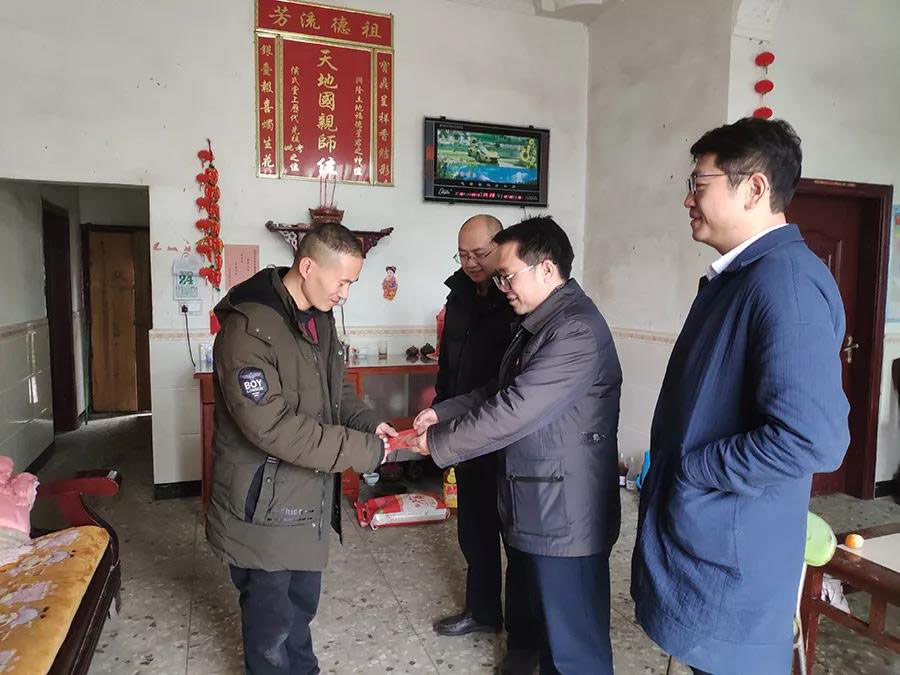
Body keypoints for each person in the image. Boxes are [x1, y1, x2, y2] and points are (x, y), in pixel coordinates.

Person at [631, 118, 850, 675]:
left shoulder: (785, 283)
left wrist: (693, 467)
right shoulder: (743, 276)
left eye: (699, 184)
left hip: (734, 551)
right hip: (708, 532)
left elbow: (811, 439)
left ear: (753, 188)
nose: (688, 199)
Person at [413, 216, 622, 674]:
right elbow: (499, 389)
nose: (502, 286)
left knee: (574, 648)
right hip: (537, 499)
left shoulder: (574, 331)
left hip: (566, 513)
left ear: (546, 268)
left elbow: (515, 409)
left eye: (507, 275)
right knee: (539, 628)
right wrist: (444, 412)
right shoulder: (540, 323)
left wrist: (437, 443)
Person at [206, 223, 397, 675]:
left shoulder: (318, 319)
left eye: (351, 283)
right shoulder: (247, 330)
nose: (345, 294)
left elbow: (338, 391)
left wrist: (371, 424)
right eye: (342, 282)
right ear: (308, 267)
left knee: (301, 606)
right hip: (263, 504)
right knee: (270, 623)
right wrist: (364, 450)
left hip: (306, 496)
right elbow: (273, 428)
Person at [430, 214, 540, 672]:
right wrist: (439, 411)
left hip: (506, 435)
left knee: (516, 539)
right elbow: (448, 365)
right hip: (463, 431)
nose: (471, 263)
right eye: (463, 255)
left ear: (501, 248)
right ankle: (482, 611)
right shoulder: (457, 294)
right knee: (473, 529)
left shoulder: (518, 300)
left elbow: (515, 384)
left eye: (480, 254)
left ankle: (523, 639)